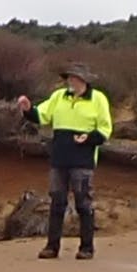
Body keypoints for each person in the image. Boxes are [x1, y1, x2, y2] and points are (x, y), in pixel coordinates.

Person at [19, 62, 112, 260]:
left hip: (83, 160)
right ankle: (52, 247)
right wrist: (28, 109)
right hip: (59, 158)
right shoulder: (58, 97)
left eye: (74, 78)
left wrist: (89, 138)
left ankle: (87, 248)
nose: (70, 81)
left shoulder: (98, 99)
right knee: (57, 203)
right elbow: (41, 115)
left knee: (83, 203)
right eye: (68, 77)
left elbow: (105, 130)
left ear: (83, 80)